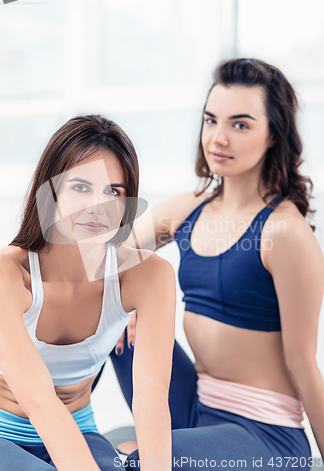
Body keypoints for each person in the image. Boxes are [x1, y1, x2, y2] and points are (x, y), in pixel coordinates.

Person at [100, 59, 324, 469]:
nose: (218, 138)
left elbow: (303, 363)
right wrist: (127, 298)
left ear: (274, 134)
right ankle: (41, 417)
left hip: (264, 435)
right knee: (104, 309)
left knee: (142, 463)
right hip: (193, 404)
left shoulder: (285, 233)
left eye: (240, 124)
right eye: (210, 120)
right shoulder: (192, 208)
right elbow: (104, 256)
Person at [0, 115, 176, 471]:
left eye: (113, 191)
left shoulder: (150, 276)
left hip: (79, 427)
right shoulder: (5, 275)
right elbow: (40, 402)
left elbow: (151, 399)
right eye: (80, 187)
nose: (98, 206)